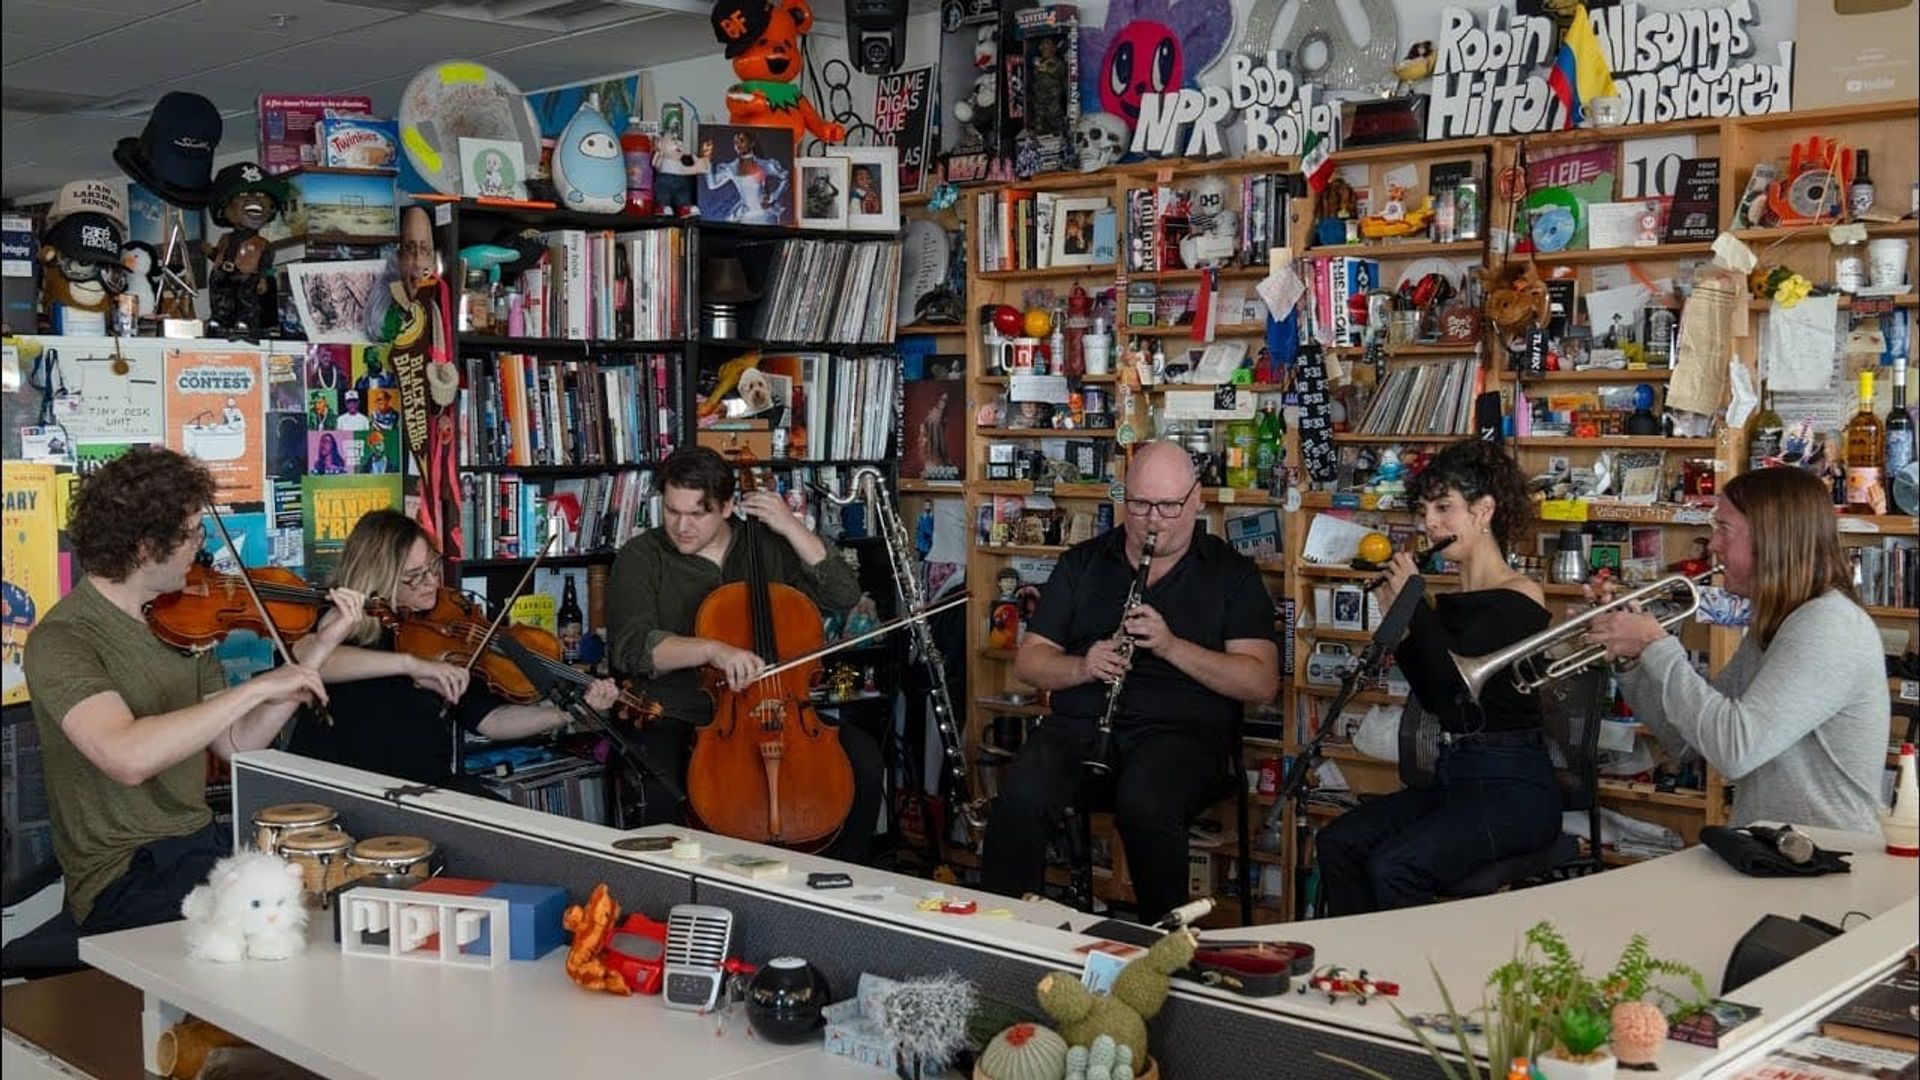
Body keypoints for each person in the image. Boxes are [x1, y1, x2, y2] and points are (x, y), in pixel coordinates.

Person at [21, 448, 352, 934]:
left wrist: (318, 651)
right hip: (125, 876)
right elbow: (126, 757)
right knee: (274, 932)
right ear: (144, 546)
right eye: (192, 533)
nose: (200, 547)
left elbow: (236, 742)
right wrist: (255, 689)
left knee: (321, 904)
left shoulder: (184, 620)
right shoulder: (63, 639)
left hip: (199, 846)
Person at [981, 442, 1279, 922]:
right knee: (1020, 796)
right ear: (1124, 500)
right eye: (1139, 505)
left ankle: (1166, 949)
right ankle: (1001, 941)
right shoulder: (1084, 562)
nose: (1152, 519)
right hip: (1083, 726)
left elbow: (1262, 683)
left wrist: (1169, 646)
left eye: (1168, 506)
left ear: (1197, 499)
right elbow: (1030, 663)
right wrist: (1085, 665)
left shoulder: (1231, 574)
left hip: (1183, 736)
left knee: (1145, 802)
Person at [1315, 438, 1559, 916]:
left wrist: (1417, 612)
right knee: (1338, 841)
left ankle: (1409, 985)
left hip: (1514, 790)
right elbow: (1438, 700)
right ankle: (1359, 972)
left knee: (1394, 867)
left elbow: (1457, 686)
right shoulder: (1451, 604)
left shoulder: (1521, 597)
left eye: (1444, 508)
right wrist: (1402, 623)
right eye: (1425, 510)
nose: (1430, 523)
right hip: (1457, 778)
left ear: (1484, 510)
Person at [606, 446, 883, 862]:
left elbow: (842, 594)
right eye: (672, 511)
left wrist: (791, 527)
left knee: (861, 757)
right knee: (656, 787)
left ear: (730, 506)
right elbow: (630, 648)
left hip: (774, 707)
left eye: (698, 514)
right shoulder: (642, 556)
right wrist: (713, 650)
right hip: (678, 711)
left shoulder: (766, 545)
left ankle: (843, 883)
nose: (681, 526)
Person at [1584, 466, 1888, 833]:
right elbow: (1687, 740)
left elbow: (1735, 750)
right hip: (1774, 852)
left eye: (1724, 528)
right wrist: (1633, 658)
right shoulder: (1777, 624)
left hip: (1827, 860)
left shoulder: (1828, 625)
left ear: (1771, 537)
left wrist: (1655, 644)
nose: (1712, 544)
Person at [287, 509, 619, 796]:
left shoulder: (445, 631)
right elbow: (311, 660)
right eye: (414, 577)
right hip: (341, 790)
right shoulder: (338, 619)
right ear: (377, 578)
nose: (432, 581)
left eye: (433, 566)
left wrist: (567, 713)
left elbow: (493, 721)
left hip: (422, 791)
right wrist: (410, 666)